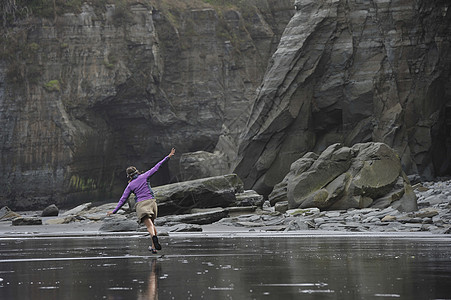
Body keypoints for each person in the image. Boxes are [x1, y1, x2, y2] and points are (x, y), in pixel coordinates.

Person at [107, 148, 176, 253]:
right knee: (152, 224)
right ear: (137, 172)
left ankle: (154, 238)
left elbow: (123, 199)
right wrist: (168, 157)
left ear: (129, 176)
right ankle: (153, 247)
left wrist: (114, 211)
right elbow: (157, 167)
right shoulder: (145, 176)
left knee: (149, 226)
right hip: (152, 203)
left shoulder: (130, 185)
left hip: (141, 205)